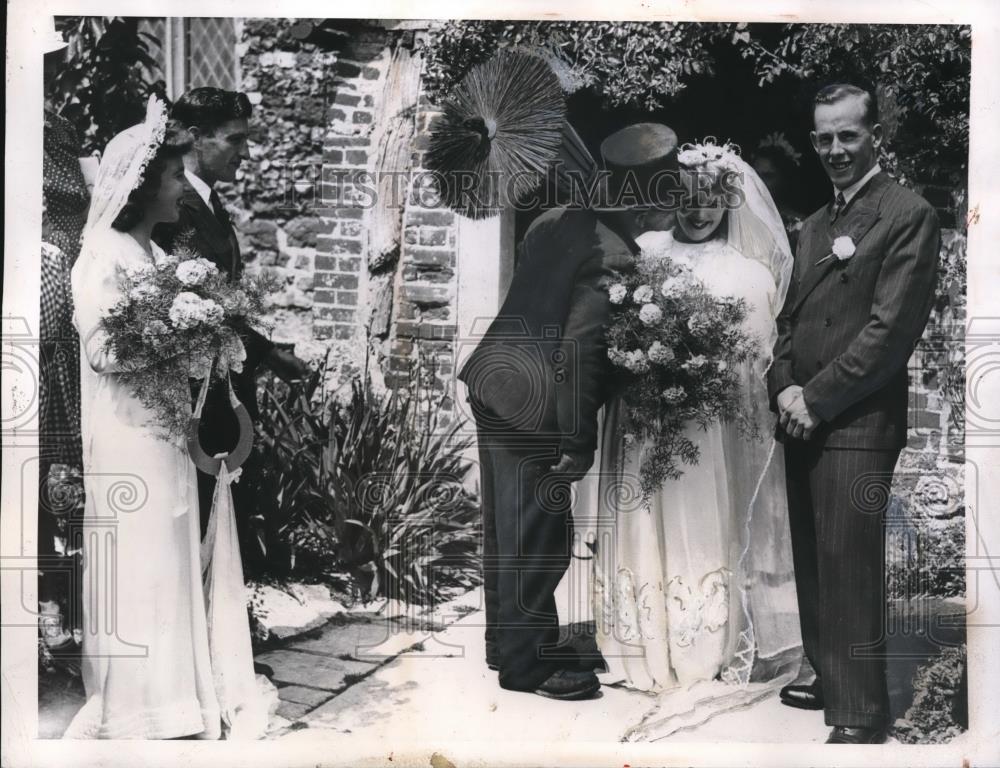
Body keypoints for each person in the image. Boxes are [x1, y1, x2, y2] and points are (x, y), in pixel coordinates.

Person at [581, 138, 802, 741]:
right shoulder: (647, 253)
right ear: (672, 198)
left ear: (728, 202)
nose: (698, 212)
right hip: (646, 422)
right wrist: (645, 360)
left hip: (708, 431)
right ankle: (642, 643)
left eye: (710, 201)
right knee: (645, 517)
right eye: (687, 199)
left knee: (703, 524)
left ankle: (705, 645)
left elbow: (756, 362)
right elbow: (615, 330)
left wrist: (700, 372)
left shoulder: (749, 273)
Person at [65, 96, 268, 739]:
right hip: (128, 432)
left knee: (170, 553)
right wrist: (178, 333)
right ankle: (137, 705)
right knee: (140, 557)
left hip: (166, 429)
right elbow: (102, 352)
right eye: (177, 176)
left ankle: (177, 698)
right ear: (146, 182)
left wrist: (205, 332)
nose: (184, 188)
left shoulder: (150, 253)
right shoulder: (104, 250)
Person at [458, 122, 677, 701]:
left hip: (492, 380)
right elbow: (577, 355)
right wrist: (576, 442)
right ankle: (528, 667)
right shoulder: (614, 257)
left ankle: (503, 643)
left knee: (506, 526)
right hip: (536, 403)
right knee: (540, 533)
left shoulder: (553, 222)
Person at [767, 83, 940, 744]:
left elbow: (889, 333)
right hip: (801, 413)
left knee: (848, 558)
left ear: (874, 135)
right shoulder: (813, 225)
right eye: (824, 138)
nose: (836, 149)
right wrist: (784, 386)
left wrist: (815, 397)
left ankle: (860, 712)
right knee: (812, 555)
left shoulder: (907, 214)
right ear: (813, 143)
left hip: (857, 418)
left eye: (848, 135)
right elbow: (786, 323)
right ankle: (826, 670)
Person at [152, 87, 310, 549]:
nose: (245, 153)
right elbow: (204, 304)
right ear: (197, 138)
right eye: (235, 140)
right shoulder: (177, 208)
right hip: (197, 392)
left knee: (226, 510)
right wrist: (272, 355)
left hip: (223, 386)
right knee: (205, 511)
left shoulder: (209, 202)